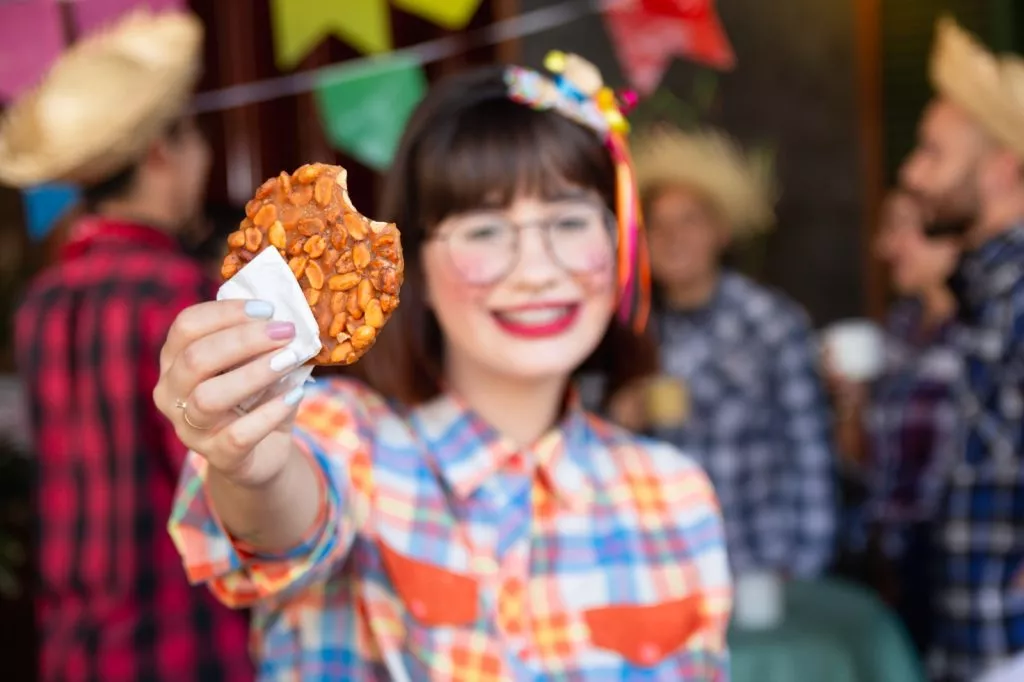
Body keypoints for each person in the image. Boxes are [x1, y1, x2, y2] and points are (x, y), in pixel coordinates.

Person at [156, 54, 732, 679]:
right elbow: (288, 520)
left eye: (568, 222)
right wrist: (251, 468)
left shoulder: (675, 495)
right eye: (485, 231)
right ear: (414, 266)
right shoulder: (347, 438)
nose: (537, 270)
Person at [0, 11, 252, 682]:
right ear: (161, 153)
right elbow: (222, 484)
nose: (202, 158)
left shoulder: (40, 301)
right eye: (194, 138)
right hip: (182, 639)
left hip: (73, 643)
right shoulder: (179, 294)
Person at [609, 126, 836, 579]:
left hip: (759, 567)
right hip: (668, 566)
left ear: (722, 231)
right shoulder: (636, 331)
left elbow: (809, 450)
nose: (672, 237)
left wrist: (805, 569)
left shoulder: (770, 322)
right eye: (658, 224)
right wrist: (618, 421)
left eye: (689, 220)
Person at [899, 17, 1024, 682]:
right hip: (975, 635)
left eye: (932, 153)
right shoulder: (987, 289)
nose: (912, 174)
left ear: (1003, 169)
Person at [829, 189, 961, 653]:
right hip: (895, 560)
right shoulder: (900, 326)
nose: (883, 247)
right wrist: (850, 402)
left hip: (969, 559)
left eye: (898, 228)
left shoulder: (993, 325)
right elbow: (864, 462)